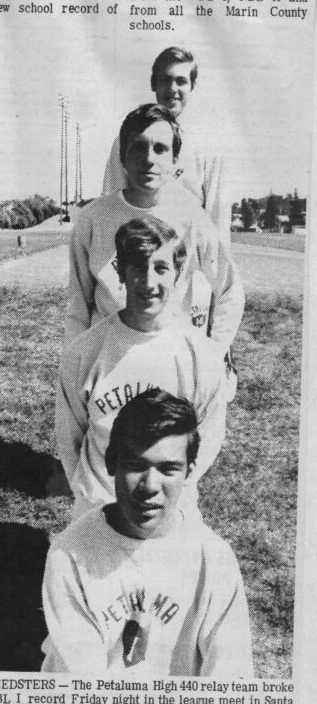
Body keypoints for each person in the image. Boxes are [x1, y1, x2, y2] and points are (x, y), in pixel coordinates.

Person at [41, 390, 253, 675]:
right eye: (136, 465)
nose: (150, 486)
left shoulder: (214, 558)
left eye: (168, 469)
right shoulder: (69, 554)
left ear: (189, 472)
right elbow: (81, 684)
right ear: (111, 463)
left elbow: (230, 677)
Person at [57, 216, 227, 518]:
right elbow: (70, 442)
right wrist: (96, 501)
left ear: (177, 273)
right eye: (137, 267)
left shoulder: (201, 356)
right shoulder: (84, 353)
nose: (148, 282)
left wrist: (166, 496)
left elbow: (206, 441)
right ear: (121, 272)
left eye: (161, 268)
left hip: (170, 512)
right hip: (100, 510)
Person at [64, 104, 243, 349]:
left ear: (175, 160)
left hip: (169, 355)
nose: (148, 159)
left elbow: (230, 289)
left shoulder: (193, 218)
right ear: (122, 157)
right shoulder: (92, 218)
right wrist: (76, 360)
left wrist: (214, 352)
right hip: (108, 355)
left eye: (160, 149)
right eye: (138, 147)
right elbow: (77, 306)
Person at [102, 46, 228, 237]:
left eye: (181, 81)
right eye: (165, 80)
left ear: (192, 86)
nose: (172, 89)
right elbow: (112, 206)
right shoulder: (126, 140)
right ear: (154, 84)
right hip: (140, 251)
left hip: (189, 252)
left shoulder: (210, 147)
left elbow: (218, 222)